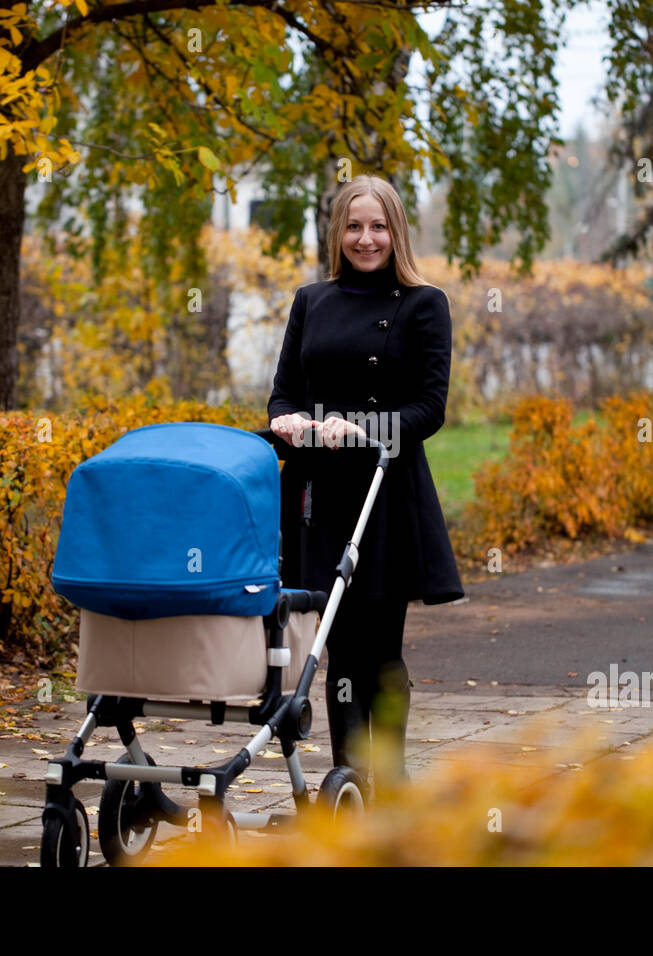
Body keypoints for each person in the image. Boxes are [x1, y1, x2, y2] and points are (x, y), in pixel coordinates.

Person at [267, 176, 464, 794]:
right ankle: (347, 783)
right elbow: (283, 393)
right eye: (354, 226)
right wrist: (288, 423)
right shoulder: (310, 300)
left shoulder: (423, 303)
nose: (365, 238)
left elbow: (430, 408)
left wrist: (363, 429)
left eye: (378, 226)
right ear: (337, 232)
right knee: (334, 646)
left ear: (396, 231)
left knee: (379, 646)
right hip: (316, 496)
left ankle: (393, 783)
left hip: (383, 492)